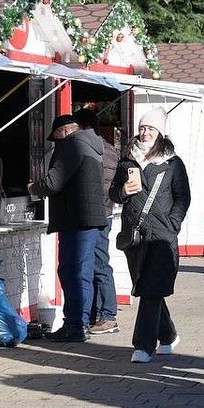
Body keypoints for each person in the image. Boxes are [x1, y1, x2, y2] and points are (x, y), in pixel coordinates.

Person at [109, 108, 191, 363]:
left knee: (151, 288)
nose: (145, 133)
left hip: (162, 236)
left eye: (151, 129)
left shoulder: (172, 163)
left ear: (160, 134)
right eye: (143, 128)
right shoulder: (127, 161)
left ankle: (143, 346)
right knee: (147, 288)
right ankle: (167, 334)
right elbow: (113, 193)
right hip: (135, 235)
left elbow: (183, 197)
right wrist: (122, 190)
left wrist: (173, 223)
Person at [29, 114, 106, 342]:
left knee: (73, 271)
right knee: (80, 271)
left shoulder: (72, 144)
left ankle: (76, 325)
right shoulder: (92, 144)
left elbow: (54, 182)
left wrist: (35, 187)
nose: (56, 143)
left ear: (63, 132)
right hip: (87, 218)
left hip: (76, 218)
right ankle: (78, 323)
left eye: (56, 138)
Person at [74, 108, 120, 335]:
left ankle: (107, 315)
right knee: (98, 263)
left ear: (82, 127)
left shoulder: (88, 149)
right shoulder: (111, 150)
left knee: (98, 264)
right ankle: (101, 314)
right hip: (107, 213)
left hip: (95, 215)